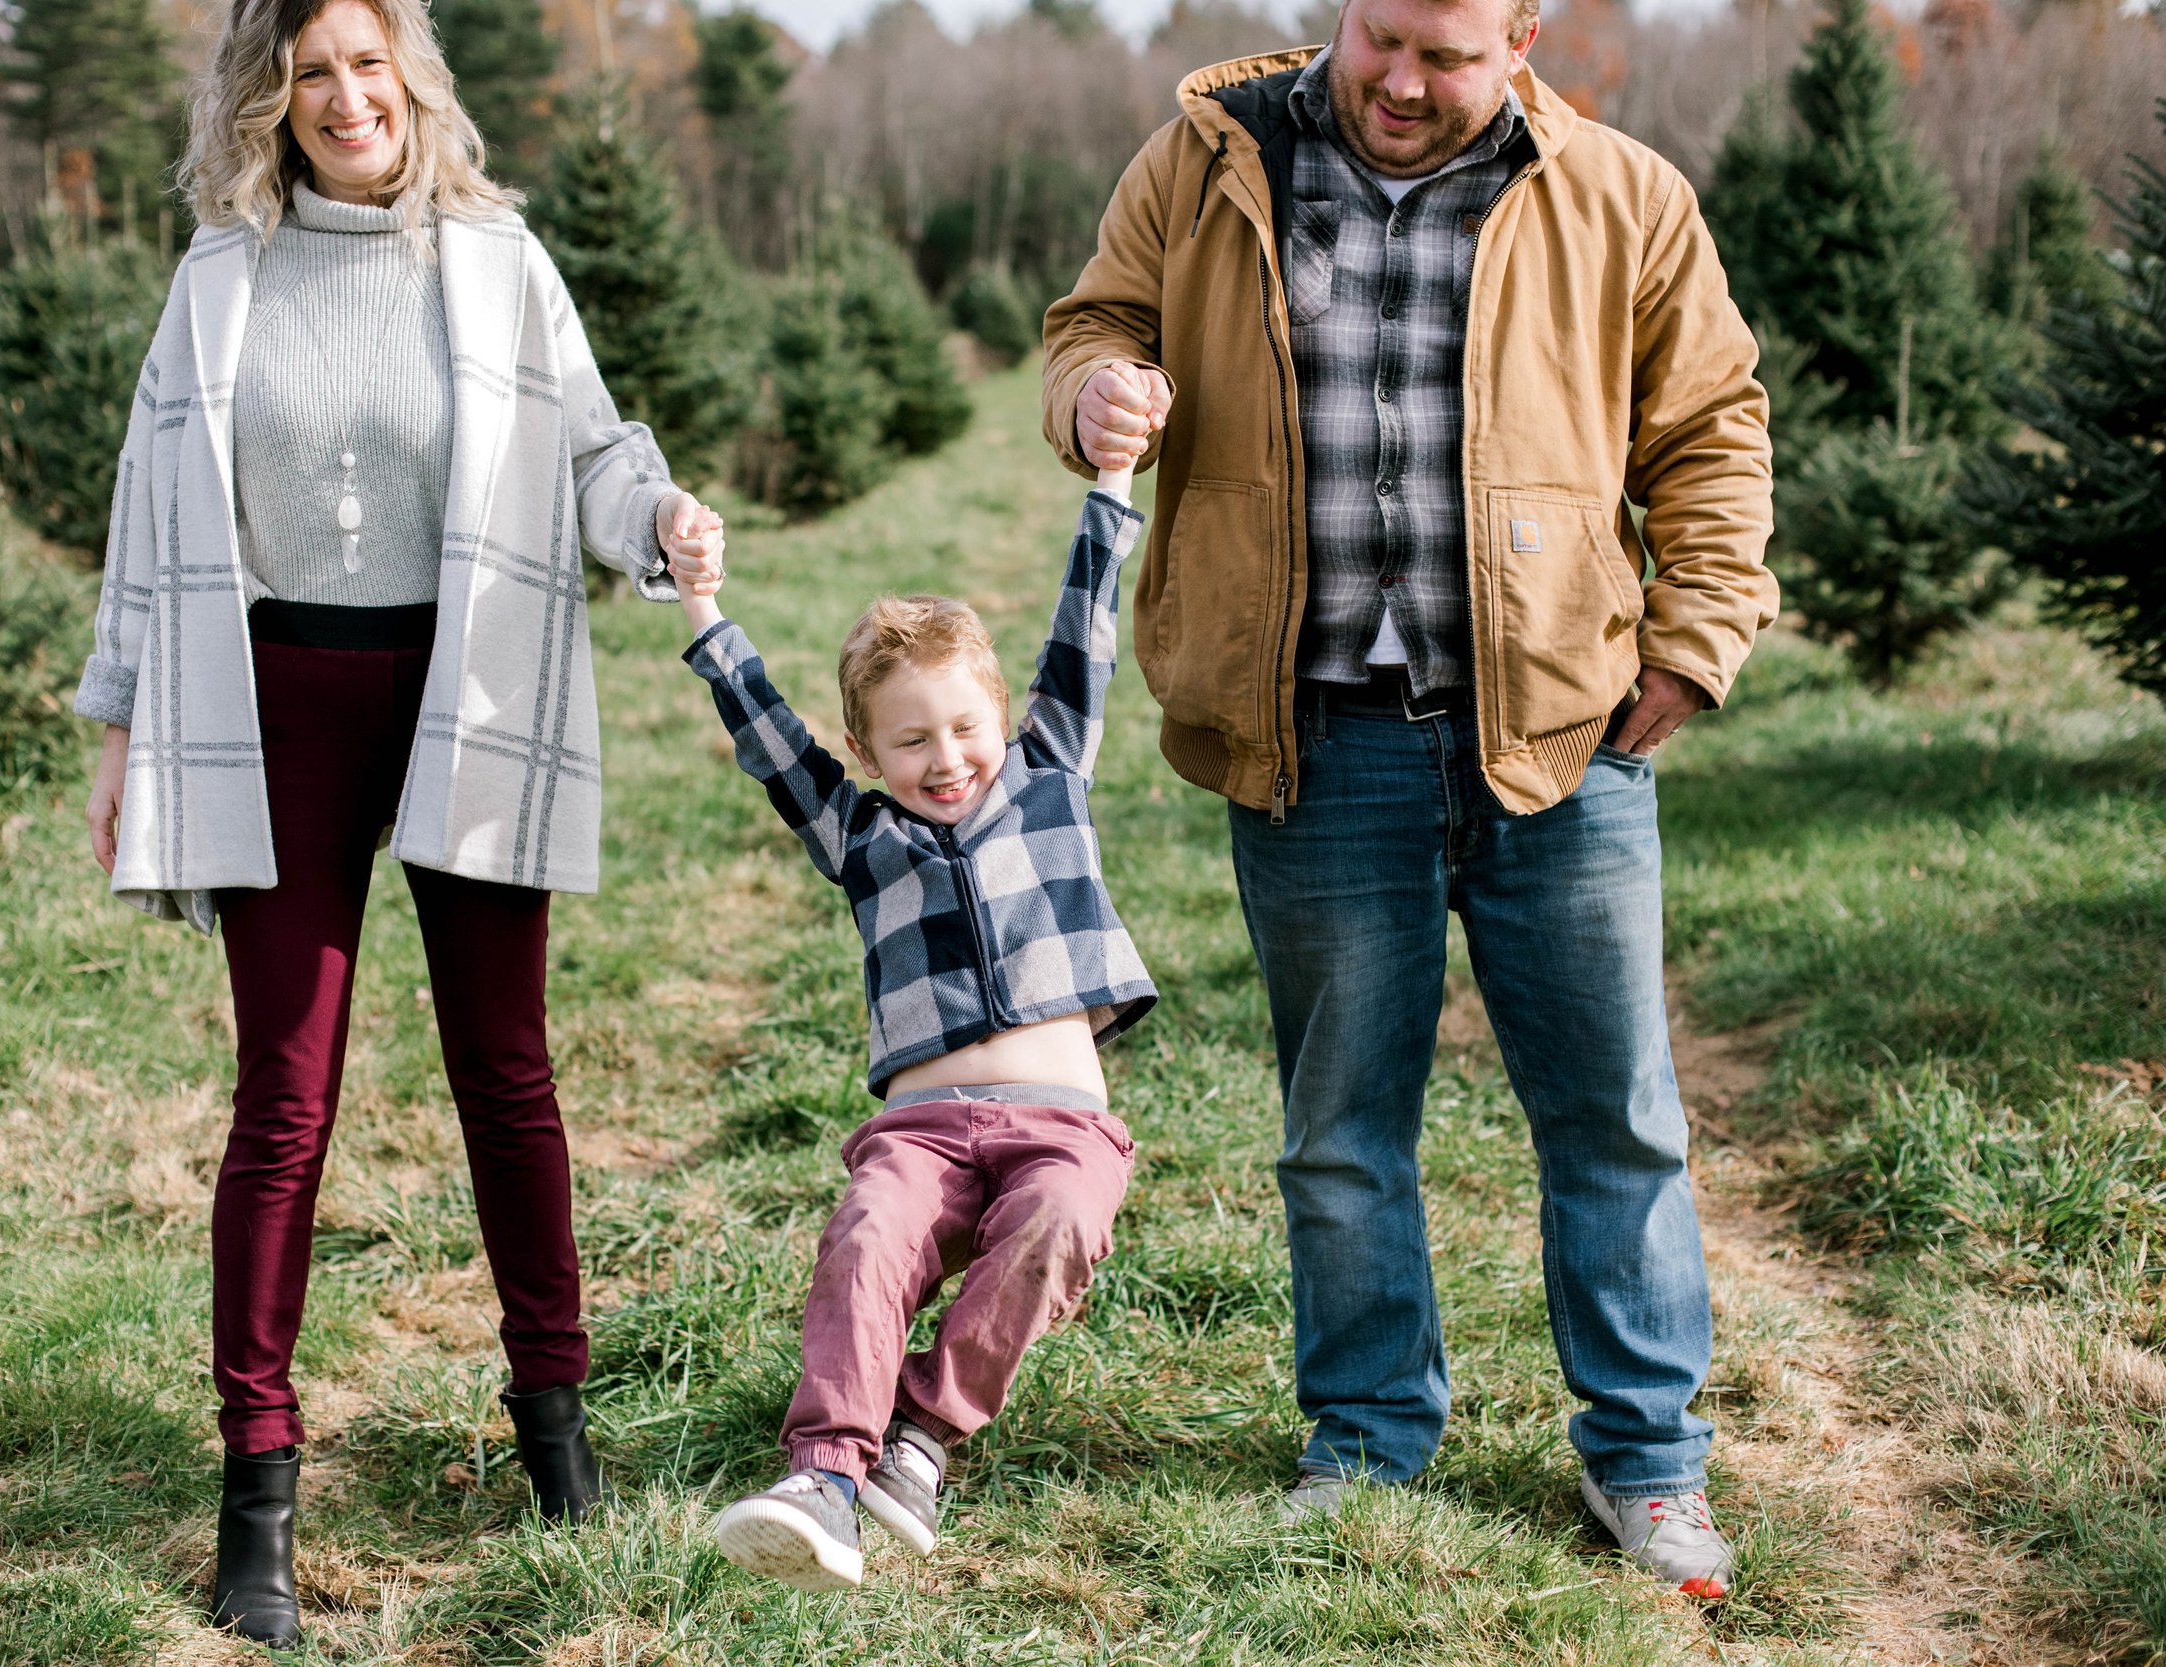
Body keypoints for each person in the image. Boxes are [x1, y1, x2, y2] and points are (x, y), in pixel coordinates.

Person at [1042, 0, 1778, 1599]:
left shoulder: (1622, 194)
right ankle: (1368, 1436)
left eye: (1445, 54)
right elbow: (1091, 324)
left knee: (1612, 1118)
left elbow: (1714, 423)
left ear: (1522, 34)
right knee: (1340, 1127)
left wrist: (1694, 641)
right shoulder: (1208, 161)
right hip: (1314, 739)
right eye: (1378, 36)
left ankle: (1646, 1462)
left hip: (1561, 738)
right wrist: (1097, 394)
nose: (1399, 80)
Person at [71, 0, 723, 1644]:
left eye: (370, 65)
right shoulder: (220, 277)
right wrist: (120, 724)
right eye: (311, 73)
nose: (346, 97)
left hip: (468, 688)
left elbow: (592, 447)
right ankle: (258, 1492)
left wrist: (657, 516)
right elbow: (150, 509)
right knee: (283, 1097)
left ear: (411, 81)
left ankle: (556, 1431)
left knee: (508, 1068)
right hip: (281, 702)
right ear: (272, 101)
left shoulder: (496, 260)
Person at [671, 467, 1157, 1592]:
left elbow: (1086, 622)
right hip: (922, 1126)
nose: (944, 760)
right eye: (909, 742)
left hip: (1061, 1123)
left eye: (964, 727)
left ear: (1003, 715)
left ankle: (921, 1441)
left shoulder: (1050, 775)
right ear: (865, 746)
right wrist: (700, 602)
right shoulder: (857, 835)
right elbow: (765, 735)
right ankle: (825, 1478)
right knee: (868, 1237)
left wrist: (1112, 479)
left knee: (1060, 1225)